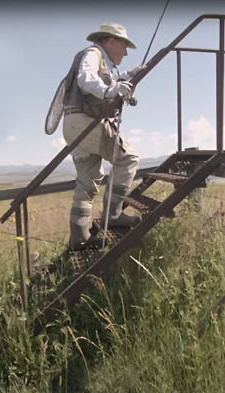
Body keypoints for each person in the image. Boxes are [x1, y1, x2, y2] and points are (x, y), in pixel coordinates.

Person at [62, 22, 144, 251]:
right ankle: (113, 215)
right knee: (129, 157)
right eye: (124, 46)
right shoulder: (93, 53)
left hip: (73, 123)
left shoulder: (102, 61)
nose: (126, 52)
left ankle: (79, 238)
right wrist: (110, 92)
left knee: (88, 180)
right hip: (85, 120)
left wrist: (133, 74)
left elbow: (109, 80)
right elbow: (87, 79)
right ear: (110, 41)